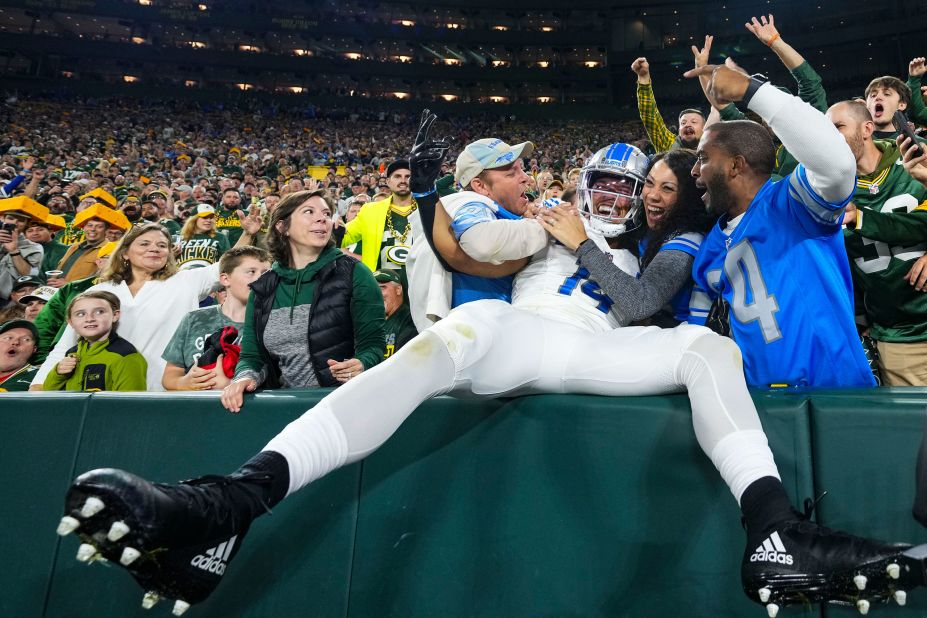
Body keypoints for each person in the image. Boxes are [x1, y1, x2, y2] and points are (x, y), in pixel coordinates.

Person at [59, 121, 923, 618]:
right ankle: (229, 504)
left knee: (711, 349)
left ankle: (773, 532)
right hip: (531, 332)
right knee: (468, 328)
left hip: (617, 344)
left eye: (649, 184)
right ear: (582, 185)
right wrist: (451, 197)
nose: (631, 197)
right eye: (615, 184)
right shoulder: (538, 226)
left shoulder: (684, 243)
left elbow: (646, 300)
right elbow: (465, 245)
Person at [686, 61, 875, 389]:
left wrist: (751, 90)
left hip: (833, 396)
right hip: (758, 403)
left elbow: (837, 165)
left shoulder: (792, 204)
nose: (695, 171)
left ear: (735, 166)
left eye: (703, 159)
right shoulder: (712, 245)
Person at [219, 189, 385, 407]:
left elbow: (373, 345)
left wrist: (362, 363)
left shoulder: (355, 274)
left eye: (326, 214)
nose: (322, 219)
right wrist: (244, 377)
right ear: (282, 226)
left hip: (344, 406)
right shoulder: (264, 286)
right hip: (283, 407)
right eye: (309, 211)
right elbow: (252, 355)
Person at [32, 223, 231, 391]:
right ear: (125, 252)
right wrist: (38, 387)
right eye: (144, 243)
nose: (154, 248)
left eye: (162, 245)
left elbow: (235, 264)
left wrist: (250, 234)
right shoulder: (99, 290)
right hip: (103, 391)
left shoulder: (187, 280)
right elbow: (66, 345)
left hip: (167, 391)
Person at [540, 147, 713, 328]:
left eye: (668, 188)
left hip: (677, 335)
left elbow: (641, 304)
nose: (652, 195)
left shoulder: (689, 240)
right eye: (649, 183)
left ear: (688, 198)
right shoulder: (647, 227)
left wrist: (581, 243)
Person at [828, 100, 927, 385]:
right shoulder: (826, 191)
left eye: (838, 127)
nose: (829, 137)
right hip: (897, 338)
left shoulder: (913, 160)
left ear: (867, 128)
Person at [161, 246, 272, 390]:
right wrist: (184, 383)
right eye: (251, 272)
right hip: (199, 409)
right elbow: (170, 375)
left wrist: (231, 384)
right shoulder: (195, 319)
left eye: (266, 273)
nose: (260, 279)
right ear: (225, 279)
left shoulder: (273, 321)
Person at [42, 290, 147, 391]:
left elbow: (130, 405)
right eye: (80, 314)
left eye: (99, 312)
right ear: (71, 322)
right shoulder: (72, 353)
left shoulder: (125, 356)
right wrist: (58, 374)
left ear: (115, 315)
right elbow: (49, 394)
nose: (89, 318)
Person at [31, 241, 117, 364]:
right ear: (99, 262)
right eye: (112, 258)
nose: (119, 264)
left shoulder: (133, 291)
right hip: (61, 356)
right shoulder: (74, 288)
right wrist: (42, 360)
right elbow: (46, 324)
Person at [341, 160, 416, 278]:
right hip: (380, 284)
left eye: (408, 176)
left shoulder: (426, 209)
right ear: (388, 182)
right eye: (397, 176)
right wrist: (332, 229)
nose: (403, 181)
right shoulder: (370, 210)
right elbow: (345, 236)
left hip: (420, 284)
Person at [632, 56, 706, 153]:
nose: (687, 125)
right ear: (679, 130)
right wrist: (643, 77)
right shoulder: (668, 144)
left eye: (694, 122)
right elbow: (650, 116)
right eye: (683, 123)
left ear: (704, 128)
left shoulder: (716, 148)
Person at [374, 269, 417, 358]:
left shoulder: (411, 320)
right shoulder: (370, 321)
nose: (376, 294)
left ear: (398, 289)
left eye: (382, 288)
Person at [175, 204, 232, 270]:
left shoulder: (220, 237)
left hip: (208, 277)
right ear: (193, 219)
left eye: (211, 217)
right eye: (204, 217)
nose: (209, 220)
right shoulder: (178, 237)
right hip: (182, 276)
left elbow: (228, 262)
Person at [0, 319, 39, 391]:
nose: (16, 342)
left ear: (34, 349)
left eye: (26, 339)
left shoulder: (39, 377)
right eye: (8, 338)